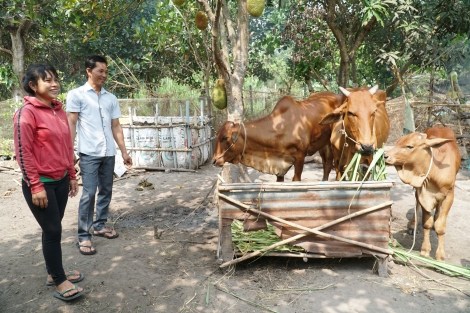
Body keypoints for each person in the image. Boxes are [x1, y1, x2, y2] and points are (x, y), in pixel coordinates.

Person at [13, 63, 85, 301]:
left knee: (52, 228)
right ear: (33, 86)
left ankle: (53, 273)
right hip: (40, 184)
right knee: (53, 230)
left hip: (61, 180)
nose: (55, 84)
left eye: (56, 79)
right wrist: (35, 185)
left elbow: (66, 146)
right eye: (47, 80)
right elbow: (24, 151)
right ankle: (59, 278)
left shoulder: (58, 110)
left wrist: (72, 176)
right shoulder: (27, 113)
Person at [66, 55, 132, 255]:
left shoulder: (110, 98)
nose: (104, 75)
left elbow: (116, 126)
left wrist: (124, 151)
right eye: (100, 71)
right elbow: (71, 124)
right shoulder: (76, 95)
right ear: (88, 71)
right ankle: (84, 236)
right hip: (89, 153)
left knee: (106, 190)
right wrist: (69, 152)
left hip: (108, 153)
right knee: (88, 193)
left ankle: (100, 225)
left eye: (106, 71)